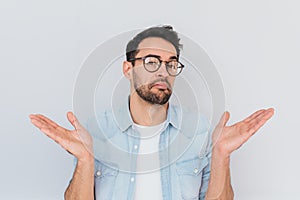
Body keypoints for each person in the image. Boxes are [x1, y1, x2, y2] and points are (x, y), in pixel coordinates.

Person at [29, 25, 274, 200]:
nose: (163, 71)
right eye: (151, 61)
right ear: (128, 69)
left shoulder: (200, 132)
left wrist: (221, 154)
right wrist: (85, 160)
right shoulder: (95, 132)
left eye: (171, 63)